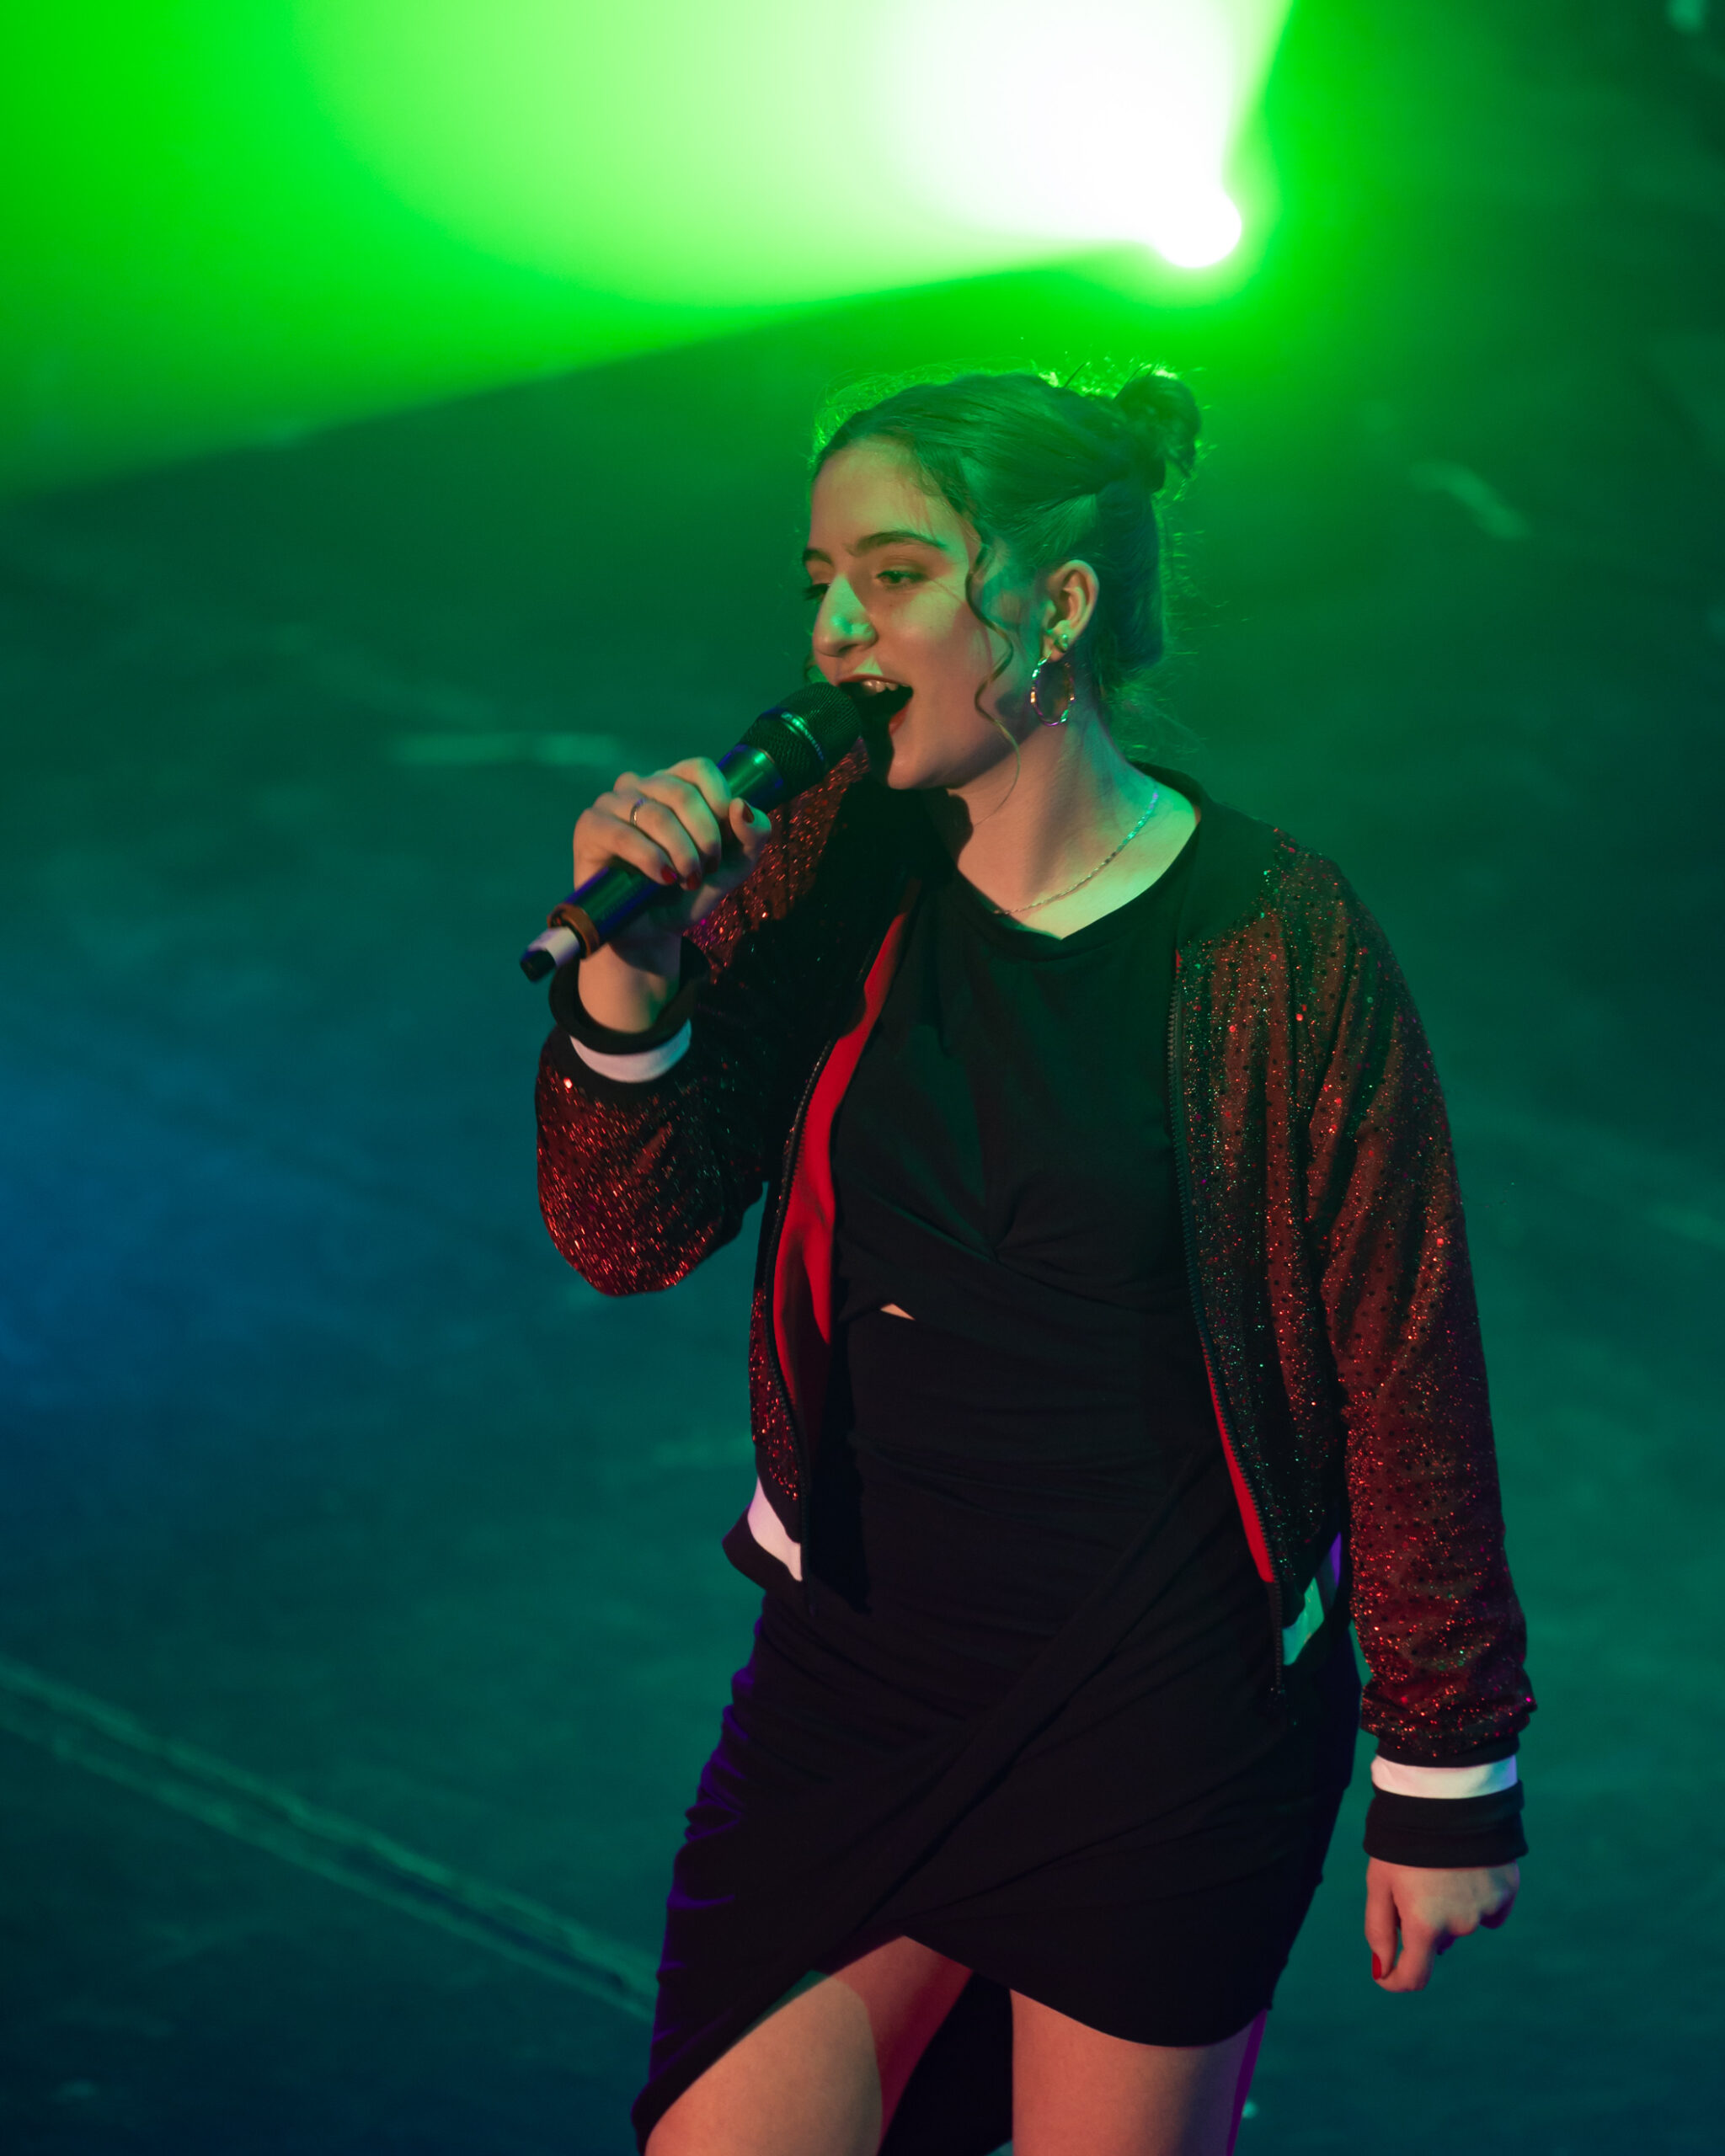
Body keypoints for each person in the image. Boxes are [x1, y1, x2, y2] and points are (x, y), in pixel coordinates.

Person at [535, 368, 1534, 2156]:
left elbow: (1402, 1358)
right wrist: (634, 984)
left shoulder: (1272, 940)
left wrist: (1444, 1764)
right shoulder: (825, 871)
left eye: (896, 575)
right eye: (821, 582)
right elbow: (629, 1233)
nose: (837, 632)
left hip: (1159, 1705)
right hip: (859, 1681)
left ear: (1054, 606)